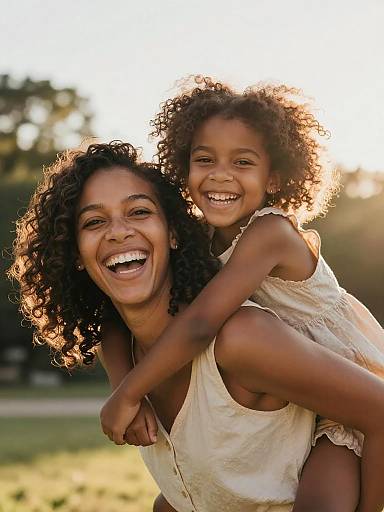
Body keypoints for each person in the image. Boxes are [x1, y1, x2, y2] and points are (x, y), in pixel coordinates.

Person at [9, 142, 384, 512]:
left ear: (173, 233)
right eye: (94, 221)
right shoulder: (121, 350)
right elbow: (199, 487)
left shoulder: (240, 338)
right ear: (76, 253)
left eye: (139, 212)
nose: (118, 232)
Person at [98, 79, 384, 511]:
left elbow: (199, 324)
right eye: (204, 159)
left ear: (275, 178)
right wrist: (121, 382)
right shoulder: (202, 240)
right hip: (296, 397)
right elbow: (118, 318)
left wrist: (129, 393)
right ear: (183, 166)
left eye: (243, 162)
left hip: (346, 393)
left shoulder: (270, 232)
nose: (220, 174)